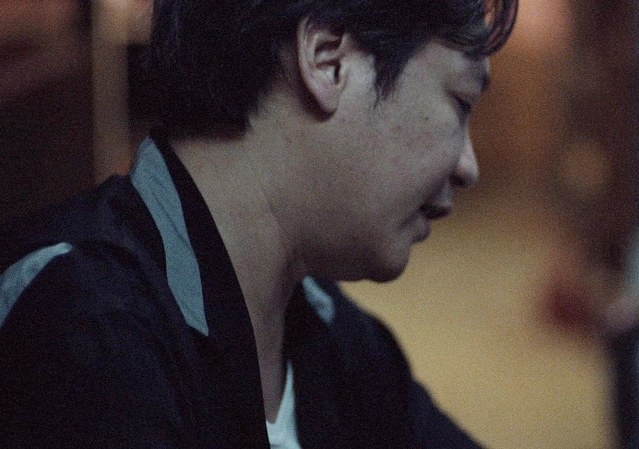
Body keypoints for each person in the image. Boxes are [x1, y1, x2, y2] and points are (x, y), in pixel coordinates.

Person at [0, 0, 517, 447]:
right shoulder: (80, 329)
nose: (467, 166)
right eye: (460, 102)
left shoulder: (340, 342)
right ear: (328, 61)